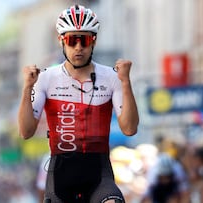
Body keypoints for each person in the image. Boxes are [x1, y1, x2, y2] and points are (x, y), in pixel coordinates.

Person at [18, 4, 139, 203]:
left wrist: (125, 83)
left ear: (94, 41)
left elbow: (129, 128)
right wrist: (27, 88)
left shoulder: (111, 77)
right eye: (72, 40)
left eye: (85, 40)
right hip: (60, 177)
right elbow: (25, 131)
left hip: (99, 175)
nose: (78, 47)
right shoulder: (46, 78)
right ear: (61, 41)